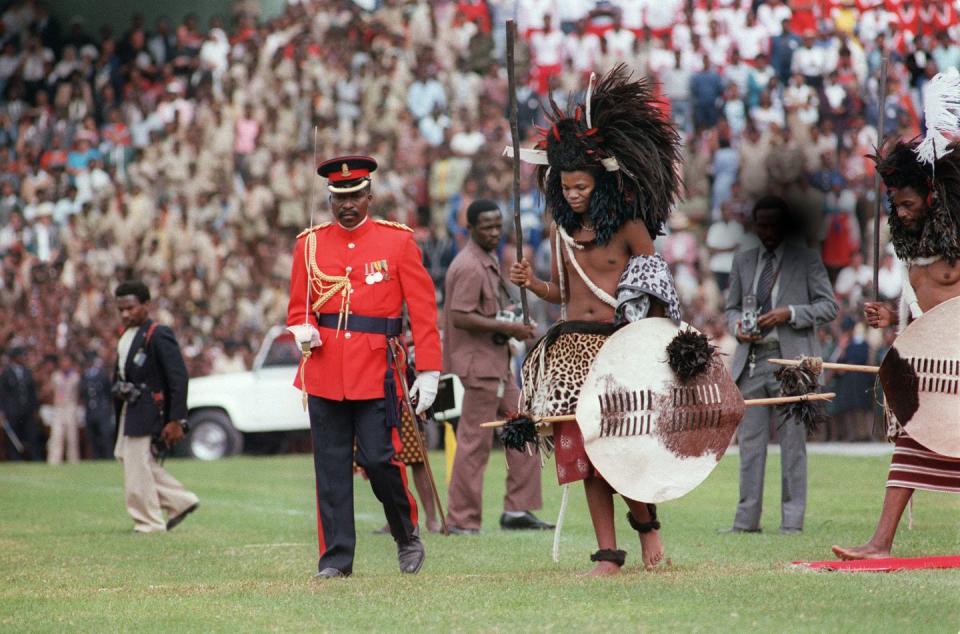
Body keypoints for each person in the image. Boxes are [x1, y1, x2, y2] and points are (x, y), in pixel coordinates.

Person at [509, 65, 683, 575]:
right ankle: (608, 554)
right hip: (568, 351)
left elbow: (657, 292)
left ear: (599, 182)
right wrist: (531, 283)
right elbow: (563, 294)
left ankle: (647, 530)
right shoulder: (561, 235)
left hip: (616, 347)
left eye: (580, 185)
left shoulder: (630, 229)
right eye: (564, 187)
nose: (572, 194)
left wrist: (652, 348)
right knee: (582, 453)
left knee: (619, 447)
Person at [286, 155, 442, 579]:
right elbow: (298, 307)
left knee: (378, 460)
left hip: (377, 372)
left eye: (355, 196)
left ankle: (405, 532)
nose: (347, 205)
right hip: (323, 371)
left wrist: (428, 370)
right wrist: (303, 329)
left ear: (370, 196)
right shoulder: (310, 245)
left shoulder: (397, 242)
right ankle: (336, 559)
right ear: (330, 200)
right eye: (340, 198)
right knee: (331, 469)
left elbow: (423, 310)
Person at [832, 136, 960, 560]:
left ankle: (880, 544)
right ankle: (880, 544)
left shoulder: (956, 238)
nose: (901, 213)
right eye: (896, 205)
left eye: (908, 204)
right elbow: (923, 304)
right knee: (911, 441)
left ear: (930, 194)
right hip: (933, 364)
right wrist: (891, 315)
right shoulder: (911, 244)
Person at [723, 195, 839, 534]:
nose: (768, 230)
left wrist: (791, 313)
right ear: (754, 225)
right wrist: (737, 328)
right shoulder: (742, 261)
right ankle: (745, 522)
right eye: (762, 224)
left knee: (793, 446)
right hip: (753, 361)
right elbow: (730, 309)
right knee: (750, 445)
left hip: (793, 367)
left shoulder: (807, 260)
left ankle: (792, 523)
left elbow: (829, 307)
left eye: (774, 224)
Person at [443, 198, 550, 535]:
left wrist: (510, 319)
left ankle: (517, 510)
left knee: (525, 428)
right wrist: (509, 327)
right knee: (474, 443)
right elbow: (460, 316)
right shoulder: (469, 265)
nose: (492, 232)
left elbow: (484, 311)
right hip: (480, 367)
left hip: (497, 363)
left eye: (496, 225)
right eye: (485, 226)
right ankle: (462, 520)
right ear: (470, 228)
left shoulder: (486, 260)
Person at [112, 280, 199, 533]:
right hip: (130, 408)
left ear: (146, 305)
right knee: (128, 459)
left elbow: (178, 377)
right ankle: (181, 501)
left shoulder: (158, 333)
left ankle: (149, 521)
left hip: (149, 408)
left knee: (137, 465)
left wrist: (176, 419)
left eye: (131, 307)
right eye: (121, 309)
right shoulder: (126, 335)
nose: (126, 313)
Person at [0, 346, 41, 461]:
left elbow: (32, 392)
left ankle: (35, 457)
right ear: (14, 357)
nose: (23, 357)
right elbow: (2, 394)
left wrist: (35, 408)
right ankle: (15, 458)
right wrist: (2, 410)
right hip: (12, 410)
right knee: (14, 436)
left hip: (27, 409)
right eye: (20, 355)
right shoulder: (6, 373)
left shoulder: (27, 371)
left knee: (32, 435)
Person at [80, 350, 114, 459]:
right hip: (90, 409)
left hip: (102, 409)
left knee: (105, 435)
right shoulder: (85, 375)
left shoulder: (102, 375)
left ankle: (108, 456)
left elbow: (108, 391)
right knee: (92, 436)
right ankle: (96, 457)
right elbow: (83, 392)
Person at [48, 353, 80, 464]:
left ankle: (73, 460)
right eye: (63, 362)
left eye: (67, 361)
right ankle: (54, 460)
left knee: (72, 436)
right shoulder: (56, 376)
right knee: (57, 435)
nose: (65, 364)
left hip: (70, 407)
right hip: (59, 407)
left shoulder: (75, 376)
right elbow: (51, 391)